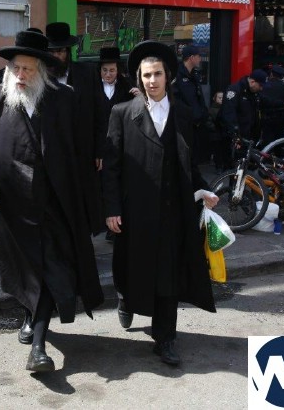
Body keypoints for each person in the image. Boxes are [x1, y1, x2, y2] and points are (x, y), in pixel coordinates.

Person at [0, 30, 104, 372]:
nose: (21, 75)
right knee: (25, 270)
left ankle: (39, 348)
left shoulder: (64, 98)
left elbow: (79, 153)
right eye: (16, 68)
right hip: (10, 207)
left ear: (41, 71)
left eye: (28, 69)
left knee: (50, 269)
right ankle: (29, 315)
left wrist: (90, 205)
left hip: (55, 203)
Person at [102, 40, 218, 367]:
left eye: (157, 74)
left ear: (167, 76)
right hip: (135, 211)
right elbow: (111, 168)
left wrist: (204, 190)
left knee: (169, 272)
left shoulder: (182, 114)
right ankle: (125, 298)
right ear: (139, 79)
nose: (152, 81)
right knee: (132, 267)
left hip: (172, 210)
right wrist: (112, 208)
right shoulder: (122, 113)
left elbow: (189, 163)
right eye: (146, 75)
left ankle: (165, 336)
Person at [45, 21, 107, 236]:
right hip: (54, 151)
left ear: (68, 51)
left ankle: (82, 240)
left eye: (61, 51)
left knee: (83, 199)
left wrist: (100, 149)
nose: (56, 56)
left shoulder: (87, 73)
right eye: (52, 51)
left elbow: (100, 112)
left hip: (83, 149)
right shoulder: (40, 78)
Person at [96, 46, 138, 241]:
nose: (108, 74)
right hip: (100, 145)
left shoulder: (127, 86)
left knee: (118, 183)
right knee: (101, 185)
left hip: (121, 144)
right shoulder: (93, 87)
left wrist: (140, 96)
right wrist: (97, 152)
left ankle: (115, 227)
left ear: (118, 70)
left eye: (112, 70)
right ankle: (102, 221)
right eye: (104, 70)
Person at [172, 45, 210, 164]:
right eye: (199, 56)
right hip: (183, 123)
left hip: (196, 124)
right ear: (191, 58)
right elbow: (175, 99)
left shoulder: (195, 75)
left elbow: (198, 97)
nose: (200, 59)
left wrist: (203, 114)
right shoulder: (176, 75)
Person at [218, 69, 268, 143]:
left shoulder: (253, 92)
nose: (261, 88)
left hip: (248, 137)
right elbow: (229, 115)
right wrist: (235, 136)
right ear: (252, 82)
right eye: (260, 85)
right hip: (236, 138)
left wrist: (283, 103)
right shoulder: (235, 90)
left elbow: (266, 101)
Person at [260, 65, 284, 144]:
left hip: (265, 117)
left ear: (271, 74)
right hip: (280, 118)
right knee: (278, 141)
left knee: (266, 141)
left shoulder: (264, 85)